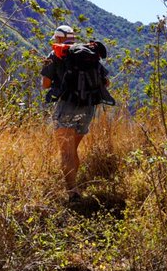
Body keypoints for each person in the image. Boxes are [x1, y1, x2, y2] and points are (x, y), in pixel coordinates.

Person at [41, 24, 113, 199]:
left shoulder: (57, 54)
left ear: (58, 38)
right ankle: (75, 187)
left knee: (66, 151)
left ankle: (72, 192)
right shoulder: (88, 53)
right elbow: (106, 83)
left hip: (67, 105)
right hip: (87, 107)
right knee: (73, 150)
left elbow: (46, 84)